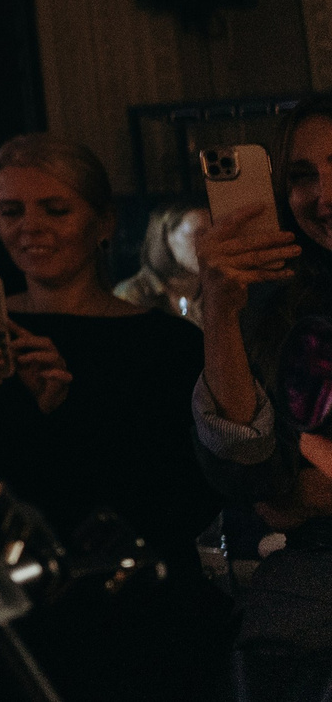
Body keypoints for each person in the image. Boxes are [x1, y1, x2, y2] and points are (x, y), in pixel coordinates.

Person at [0, 135, 227, 699]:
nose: (30, 227)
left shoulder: (164, 344)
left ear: (104, 221)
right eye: (11, 211)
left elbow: (183, 497)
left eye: (55, 209)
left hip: (127, 619)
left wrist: (65, 409)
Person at [193, 96, 332, 701]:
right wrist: (221, 313)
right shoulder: (286, 305)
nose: (324, 196)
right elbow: (255, 480)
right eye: (304, 175)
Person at [118, 200, 209, 322]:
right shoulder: (133, 294)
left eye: (212, 234)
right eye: (198, 234)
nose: (209, 243)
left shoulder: (216, 290)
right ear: (165, 238)